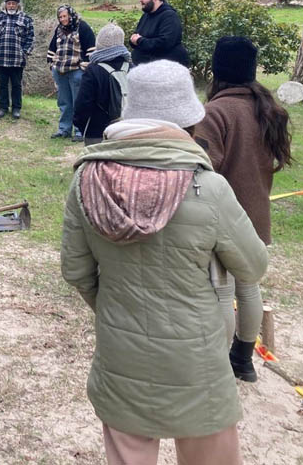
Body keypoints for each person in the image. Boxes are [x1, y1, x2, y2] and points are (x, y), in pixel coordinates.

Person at [61, 60, 268, 465]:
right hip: (198, 358)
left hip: (120, 353)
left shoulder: (86, 179)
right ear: (189, 120)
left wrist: (114, 307)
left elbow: (76, 272)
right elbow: (253, 267)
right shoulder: (208, 187)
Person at [194, 36, 293, 382]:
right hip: (257, 215)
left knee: (222, 289)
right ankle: (244, 358)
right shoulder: (267, 108)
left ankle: (219, 365)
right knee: (248, 287)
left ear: (217, 70)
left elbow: (203, 168)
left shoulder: (216, 113)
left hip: (223, 219)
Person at [73, 22, 131, 145]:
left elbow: (83, 103)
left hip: (97, 131)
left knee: (97, 164)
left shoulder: (93, 70)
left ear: (99, 43)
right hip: (128, 130)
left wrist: (81, 125)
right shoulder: (132, 68)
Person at [47, 4, 95, 140]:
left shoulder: (83, 27)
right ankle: (64, 129)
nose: (62, 19)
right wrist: (52, 65)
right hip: (60, 71)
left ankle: (80, 131)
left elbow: (91, 50)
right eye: (60, 17)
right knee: (64, 102)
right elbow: (52, 48)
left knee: (79, 102)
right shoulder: (59, 29)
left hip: (76, 71)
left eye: (65, 16)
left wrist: (84, 67)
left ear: (71, 15)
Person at [0, 0, 35, 119]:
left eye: (14, 3)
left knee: (16, 85)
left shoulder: (25, 18)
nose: (11, 6)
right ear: (5, 4)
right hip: (0, 58)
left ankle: (16, 108)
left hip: (17, 59)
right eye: (9, 3)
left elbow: (31, 37)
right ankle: (3, 107)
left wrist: (25, 52)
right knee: (2, 85)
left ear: (18, 5)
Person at [130, 0, 189, 67]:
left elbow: (165, 43)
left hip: (166, 70)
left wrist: (139, 41)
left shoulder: (169, 16)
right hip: (144, 69)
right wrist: (134, 40)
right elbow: (136, 37)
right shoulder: (146, 16)